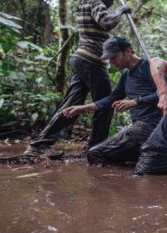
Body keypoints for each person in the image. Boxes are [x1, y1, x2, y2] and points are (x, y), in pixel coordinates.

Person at [24, 0, 131, 156]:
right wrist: (120, 10)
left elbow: (102, 14)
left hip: (81, 59)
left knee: (71, 105)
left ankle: (39, 145)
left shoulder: (86, 3)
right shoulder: (95, 2)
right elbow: (107, 22)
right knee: (105, 105)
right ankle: (95, 148)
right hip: (92, 61)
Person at [63, 37, 167, 165]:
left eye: (114, 57)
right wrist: (82, 108)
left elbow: (166, 93)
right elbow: (112, 98)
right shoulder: (126, 75)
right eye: (109, 58)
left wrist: (135, 102)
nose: (111, 61)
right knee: (103, 154)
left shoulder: (149, 67)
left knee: (95, 154)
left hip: (153, 125)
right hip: (139, 128)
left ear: (128, 51)